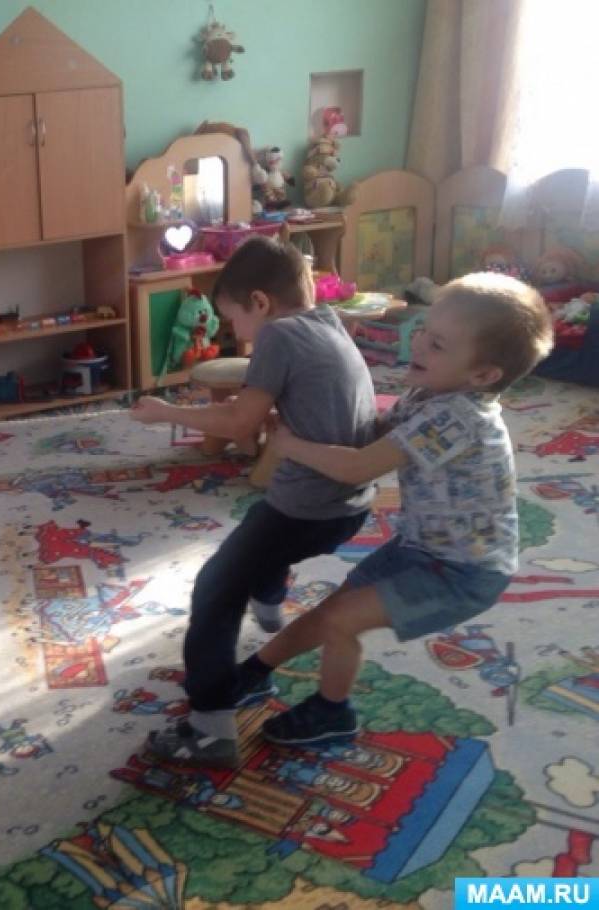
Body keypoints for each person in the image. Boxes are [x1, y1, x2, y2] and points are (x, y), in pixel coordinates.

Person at [239, 273, 553, 746]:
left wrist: (290, 445)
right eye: (424, 330)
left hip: (464, 573)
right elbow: (370, 434)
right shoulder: (428, 394)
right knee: (333, 610)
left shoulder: (460, 417)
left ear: (483, 376)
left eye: (438, 344)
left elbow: (359, 466)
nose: (418, 343)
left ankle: (332, 713)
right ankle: (254, 671)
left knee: (343, 621)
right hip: (418, 547)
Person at [129, 236, 377, 767]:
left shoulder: (279, 335)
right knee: (258, 545)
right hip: (350, 505)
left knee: (215, 588)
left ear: (260, 302)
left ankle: (209, 728)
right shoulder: (327, 322)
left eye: (234, 320)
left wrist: (167, 412)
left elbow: (240, 424)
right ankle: (268, 594)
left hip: (306, 508)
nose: (236, 333)